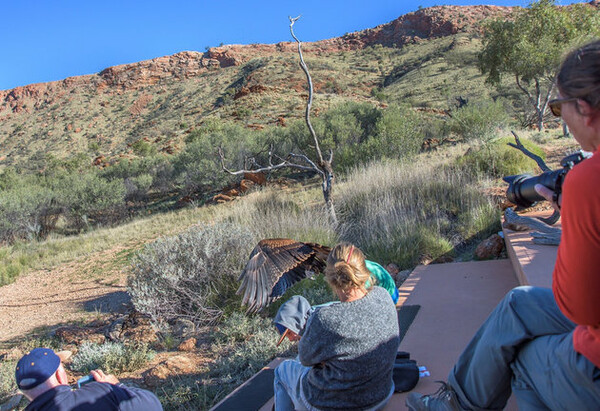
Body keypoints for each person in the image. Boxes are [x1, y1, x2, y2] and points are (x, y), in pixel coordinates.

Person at [406, 39, 600, 410]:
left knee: (524, 362)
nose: (561, 118)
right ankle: (452, 405)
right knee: (519, 303)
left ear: (585, 109)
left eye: (559, 108)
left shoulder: (589, 181)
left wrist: (574, 215)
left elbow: (579, 308)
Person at [273, 242, 400, 411]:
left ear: (330, 278)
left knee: (282, 371)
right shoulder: (383, 296)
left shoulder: (324, 319)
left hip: (332, 405)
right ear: (363, 269)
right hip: (381, 397)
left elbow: (305, 359)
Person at [15, 347, 163, 411]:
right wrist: (117, 386)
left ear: (25, 393)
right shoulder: (101, 392)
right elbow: (153, 405)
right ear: (60, 374)